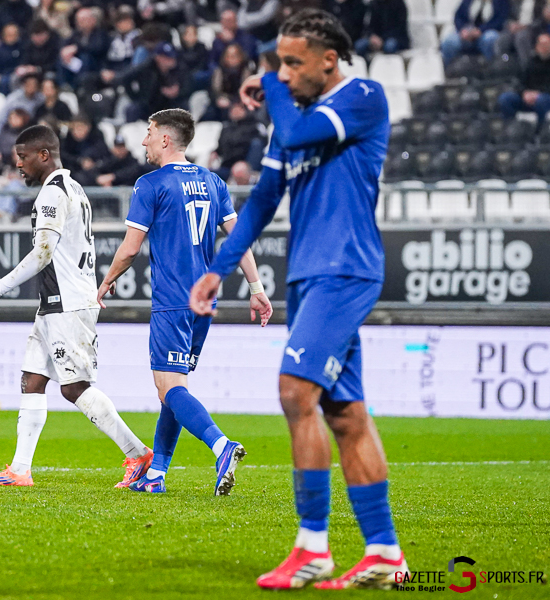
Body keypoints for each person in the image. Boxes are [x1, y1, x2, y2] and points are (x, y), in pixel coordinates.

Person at [191, 9, 408, 589]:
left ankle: (312, 548)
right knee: (346, 413)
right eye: (279, 64)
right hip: (309, 275)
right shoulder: (294, 118)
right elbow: (263, 201)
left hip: (345, 269)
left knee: (294, 392)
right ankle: (385, 553)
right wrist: (218, 270)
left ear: (328, 60)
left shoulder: (362, 96)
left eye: (292, 63)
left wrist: (268, 86)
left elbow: (297, 134)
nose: (284, 74)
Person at [0, 124, 154, 488]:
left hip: (67, 303)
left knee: (74, 387)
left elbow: (43, 253)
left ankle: (138, 453)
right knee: (33, 379)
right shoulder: (74, 188)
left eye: (23, 157)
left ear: (44, 155)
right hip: (57, 302)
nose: (18, 165)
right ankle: (20, 470)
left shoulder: (52, 193)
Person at [97, 109, 272, 495]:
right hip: (204, 303)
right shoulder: (213, 181)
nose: (144, 141)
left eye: (149, 132)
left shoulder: (150, 184)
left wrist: (107, 280)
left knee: (169, 388)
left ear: (165, 138)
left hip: (173, 300)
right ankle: (156, 475)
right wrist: (256, 287)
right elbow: (239, 238)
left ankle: (221, 446)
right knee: (174, 389)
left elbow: (130, 249)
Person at [499, 32, 550, 123]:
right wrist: (524, 93)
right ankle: (511, 127)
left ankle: (540, 129)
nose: (544, 48)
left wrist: (537, 94)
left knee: (541, 100)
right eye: (541, 45)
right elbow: (519, 81)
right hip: (528, 96)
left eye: (547, 44)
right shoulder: (530, 62)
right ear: (536, 46)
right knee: (505, 98)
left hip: (546, 97)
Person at [440, 0, 510, 65]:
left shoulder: (500, 2)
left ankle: (490, 68)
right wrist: (463, 30)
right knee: (449, 42)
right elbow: (458, 16)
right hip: (467, 32)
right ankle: (449, 69)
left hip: (487, 32)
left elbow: (500, 20)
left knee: (490, 39)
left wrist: (480, 30)